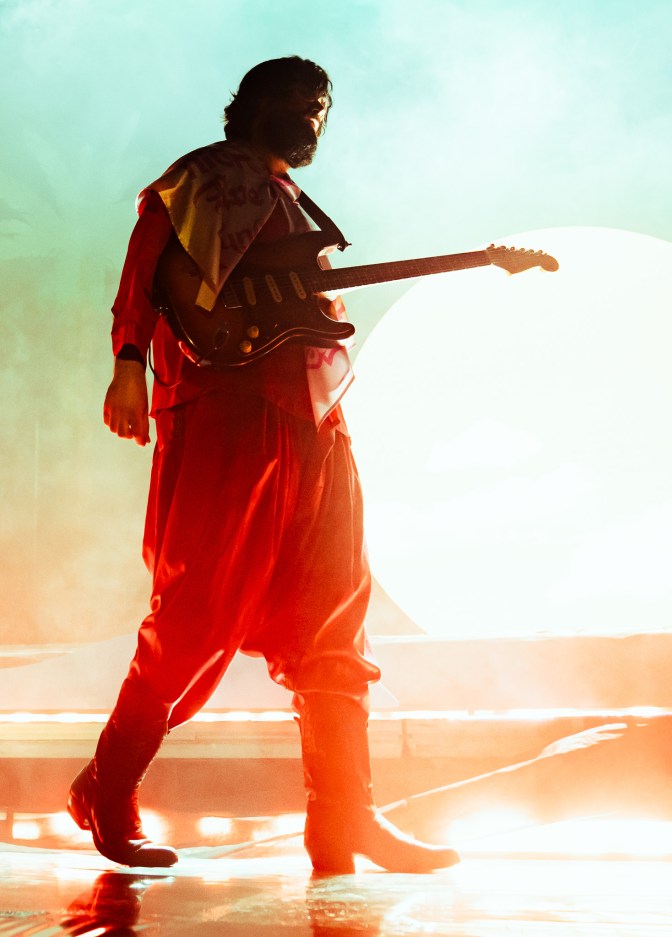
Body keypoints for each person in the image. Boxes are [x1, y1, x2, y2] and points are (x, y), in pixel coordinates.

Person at [67, 55, 460, 875]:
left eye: (320, 107)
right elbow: (147, 264)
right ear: (249, 103)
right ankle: (107, 786)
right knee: (194, 610)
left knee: (335, 618)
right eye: (296, 100)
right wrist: (129, 361)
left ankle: (344, 816)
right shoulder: (202, 178)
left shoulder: (290, 199)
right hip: (229, 413)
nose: (311, 116)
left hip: (315, 421)